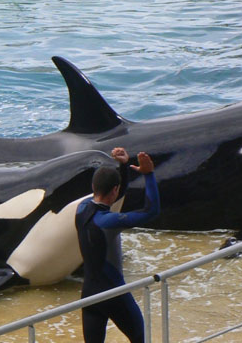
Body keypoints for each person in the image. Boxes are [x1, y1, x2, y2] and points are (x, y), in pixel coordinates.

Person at [75, 147, 161, 343]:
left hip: (89, 295)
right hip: (114, 294)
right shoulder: (109, 222)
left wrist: (123, 166)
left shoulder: (81, 210)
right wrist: (148, 175)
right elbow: (151, 211)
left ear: (94, 187)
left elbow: (112, 194)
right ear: (114, 190)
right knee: (140, 339)